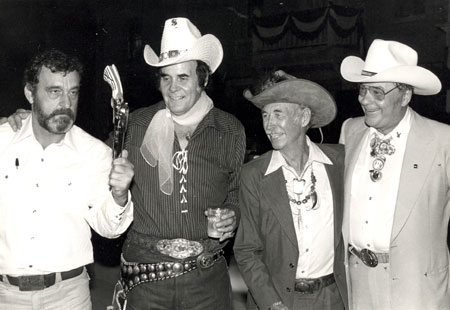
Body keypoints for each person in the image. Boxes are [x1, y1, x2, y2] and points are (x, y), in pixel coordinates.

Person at [113, 17, 245, 309]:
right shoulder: (134, 126)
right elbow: (92, 162)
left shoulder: (230, 129)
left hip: (207, 281)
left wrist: (232, 216)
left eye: (183, 77)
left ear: (204, 78)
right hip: (146, 280)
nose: (172, 88)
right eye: (165, 77)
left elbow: (236, 195)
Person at [0, 49, 134, 309]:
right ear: (30, 93)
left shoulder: (95, 153)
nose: (66, 103)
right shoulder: (2, 142)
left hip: (68, 296)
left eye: (73, 92)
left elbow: (110, 228)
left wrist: (119, 195)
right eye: (54, 92)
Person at [339, 38, 450, 309]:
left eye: (377, 92)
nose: (364, 100)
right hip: (359, 283)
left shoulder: (442, 140)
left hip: (417, 288)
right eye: (363, 90)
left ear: (405, 95)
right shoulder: (350, 131)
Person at [233, 70, 348, 310]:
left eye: (278, 114)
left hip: (333, 298)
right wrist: (272, 303)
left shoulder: (339, 161)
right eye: (265, 115)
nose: (269, 125)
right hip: (280, 300)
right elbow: (246, 251)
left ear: (304, 116)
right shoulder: (254, 174)